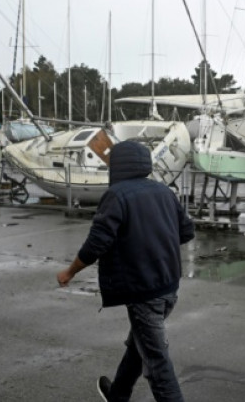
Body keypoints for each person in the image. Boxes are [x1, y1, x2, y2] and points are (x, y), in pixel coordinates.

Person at [57, 140, 194, 402]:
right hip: (169, 287)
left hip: (143, 291)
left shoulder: (116, 195)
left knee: (157, 365)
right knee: (139, 345)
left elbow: (97, 243)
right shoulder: (164, 191)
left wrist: (69, 272)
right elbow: (187, 231)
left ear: (117, 166)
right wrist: (157, 242)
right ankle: (118, 395)